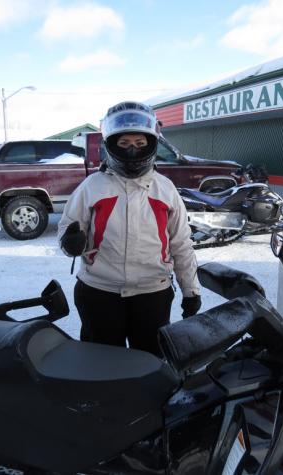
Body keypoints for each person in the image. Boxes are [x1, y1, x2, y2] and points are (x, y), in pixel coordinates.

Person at [57, 101, 201, 357]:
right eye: (124, 144)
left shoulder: (165, 189)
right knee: (99, 363)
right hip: (99, 293)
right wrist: (70, 242)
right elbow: (68, 227)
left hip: (152, 294)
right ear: (111, 144)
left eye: (139, 143)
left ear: (151, 143)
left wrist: (190, 290)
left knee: (150, 364)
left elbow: (181, 243)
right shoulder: (92, 186)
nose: (132, 150)